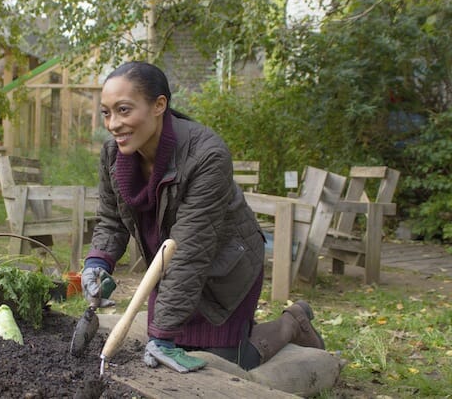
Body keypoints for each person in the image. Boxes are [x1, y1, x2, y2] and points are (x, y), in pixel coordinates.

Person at [81, 61, 325, 373]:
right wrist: (97, 264)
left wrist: (162, 334)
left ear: (159, 105)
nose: (113, 124)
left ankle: (291, 322)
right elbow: (111, 219)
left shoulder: (207, 155)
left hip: (224, 268)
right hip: (169, 268)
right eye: (106, 113)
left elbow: (191, 249)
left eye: (124, 110)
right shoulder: (113, 154)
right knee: (167, 347)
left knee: (224, 363)